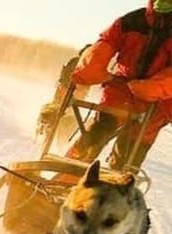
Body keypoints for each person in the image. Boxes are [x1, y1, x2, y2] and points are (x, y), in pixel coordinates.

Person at [66, 0, 171, 170]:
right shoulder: (132, 21)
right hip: (120, 91)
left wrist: (151, 88)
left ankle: (115, 189)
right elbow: (106, 43)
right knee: (95, 134)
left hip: (158, 104)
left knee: (127, 158)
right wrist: (92, 68)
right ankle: (63, 177)